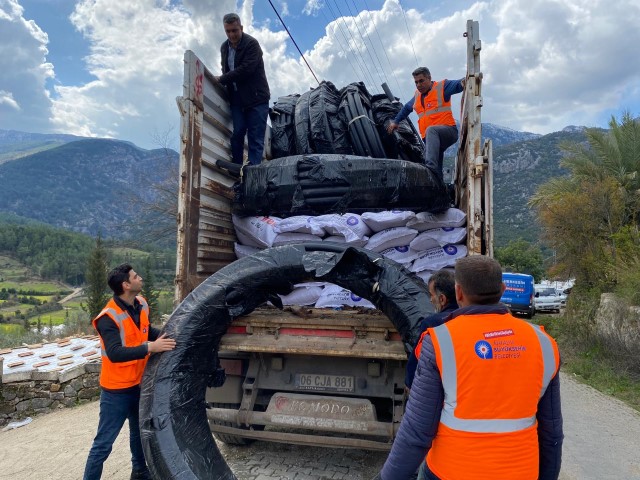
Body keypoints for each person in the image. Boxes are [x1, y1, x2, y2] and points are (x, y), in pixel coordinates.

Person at [376, 256, 563, 480]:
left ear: (459, 292)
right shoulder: (543, 343)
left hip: (450, 472)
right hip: (521, 472)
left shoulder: (440, 342)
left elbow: (417, 430)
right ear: (502, 289)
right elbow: (551, 432)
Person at [83, 264, 176, 480]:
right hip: (116, 391)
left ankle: (140, 472)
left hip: (139, 384)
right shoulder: (108, 317)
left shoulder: (141, 304)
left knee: (139, 433)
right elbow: (115, 353)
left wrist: (168, 336)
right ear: (126, 285)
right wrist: (150, 348)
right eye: (136, 276)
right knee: (103, 444)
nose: (140, 278)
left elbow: (145, 331)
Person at [387, 67, 464, 182]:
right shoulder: (417, 96)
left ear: (429, 78)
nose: (418, 85)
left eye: (421, 81)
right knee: (436, 168)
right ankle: (438, 187)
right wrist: (396, 122)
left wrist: (467, 79)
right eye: (416, 82)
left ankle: (429, 169)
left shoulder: (442, 87)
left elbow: (459, 84)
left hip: (448, 131)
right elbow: (406, 108)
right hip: (432, 139)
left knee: (431, 131)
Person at [215, 13, 270, 166]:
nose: (231, 34)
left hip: (257, 98)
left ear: (241, 28)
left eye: (234, 30)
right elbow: (225, 68)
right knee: (238, 132)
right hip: (237, 99)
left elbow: (246, 69)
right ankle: (237, 171)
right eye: (228, 31)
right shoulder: (224, 47)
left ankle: (252, 176)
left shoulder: (252, 44)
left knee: (255, 139)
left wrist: (222, 79)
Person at [405, 269, 458, 390]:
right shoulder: (469, 318)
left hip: (435, 389)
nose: (430, 300)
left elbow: (417, 360)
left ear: (442, 299)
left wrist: (409, 383)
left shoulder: (432, 324)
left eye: (431, 295)